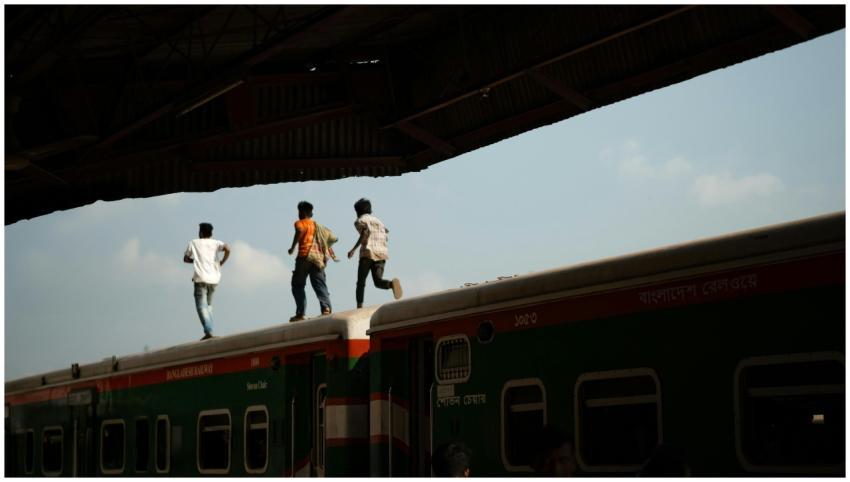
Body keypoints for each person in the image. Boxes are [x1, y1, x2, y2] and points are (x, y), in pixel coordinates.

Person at [347, 198, 402, 308]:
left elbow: (365, 233)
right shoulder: (380, 222)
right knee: (377, 281)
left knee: (361, 282)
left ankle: (359, 306)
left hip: (367, 253)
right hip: (381, 253)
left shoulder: (360, 221)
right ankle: (391, 284)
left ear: (358, 212)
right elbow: (386, 236)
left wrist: (353, 249)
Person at [183, 222, 231, 340]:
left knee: (201, 306)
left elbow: (185, 258)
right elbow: (228, 249)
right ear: (211, 233)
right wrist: (222, 263)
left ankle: (209, 331)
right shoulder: (216, 243)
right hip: (214, 278)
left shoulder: (194, 243)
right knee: (208, 305)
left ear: (200, 232)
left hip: (200, 278)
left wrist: (194, 261)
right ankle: (210, 330)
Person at [287, 201, 332, 321]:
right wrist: (325, 258)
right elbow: (326, 242)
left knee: (298, 284)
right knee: (319, 284)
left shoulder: (299, 223)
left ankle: (301, 313)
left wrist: (292, 247)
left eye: (299, 211)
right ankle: (326, 308)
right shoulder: (318, 226)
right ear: (310, 212)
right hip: (318, 258)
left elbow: (300, 231)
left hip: (304, 256)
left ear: (302, 212)